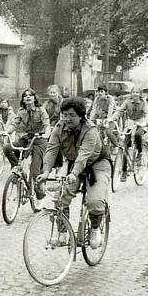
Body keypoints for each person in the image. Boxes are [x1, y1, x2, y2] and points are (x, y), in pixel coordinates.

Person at [39, 97, 112, 248]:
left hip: (97, 164)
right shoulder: (59, 128)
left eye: (72, 115)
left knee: (95, 202)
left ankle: (95, 228)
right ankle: (62, 234)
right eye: (64, 114)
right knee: (60, 198)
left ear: (81, 116)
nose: (67, 118)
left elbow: (84, 154)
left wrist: (74, 174)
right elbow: (51, 150)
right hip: (73, 164)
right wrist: (46, 172)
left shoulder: (90, 130)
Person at [2, 88, 50, 198]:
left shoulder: (41, 110)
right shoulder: (21, 111)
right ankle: (16, 167)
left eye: (30, 95)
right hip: (27, 138)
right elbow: (15, 124)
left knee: (35, 171)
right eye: (25, 95)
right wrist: (6, 132)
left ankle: (40, 197)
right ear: (23, 99)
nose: (28, 97)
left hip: (39, 140)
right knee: (7, 148)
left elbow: (47, 124)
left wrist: (46, 134)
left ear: (34, 98)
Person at [110, 86, 148, 178]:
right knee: (124, 145)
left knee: (138, 135)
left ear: (140, 94)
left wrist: (144, 122)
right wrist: (111, 118)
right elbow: (120, 111)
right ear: (131, 93)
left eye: (137, 92)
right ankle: (124, 171)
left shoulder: (143, 102)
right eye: (133, 92)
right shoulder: (127, 102)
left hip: (140, 123)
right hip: (130, 124)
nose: (135, 94)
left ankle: (140, 153)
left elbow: (147, 114)